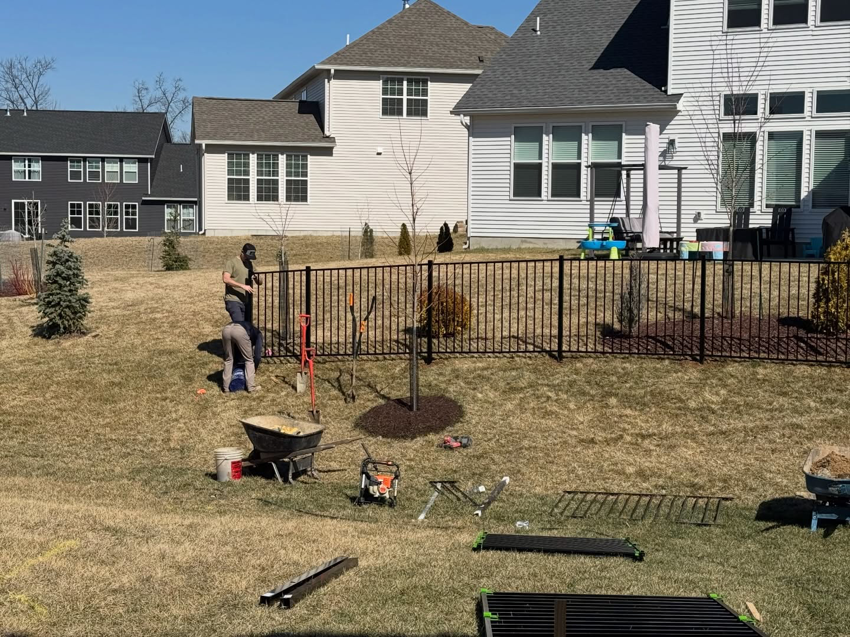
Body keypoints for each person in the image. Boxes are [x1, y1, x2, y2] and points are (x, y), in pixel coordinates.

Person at [222, 320, 263, 393]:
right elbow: (257, 356)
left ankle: (226, 388)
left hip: (226, 329)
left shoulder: (250, 327)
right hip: (240, 331)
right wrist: (254, 369)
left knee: (228, 360)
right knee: (249, 360)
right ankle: (251, 388)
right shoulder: (259, 335)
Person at [222, 243, 259, 322]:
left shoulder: (250, 264)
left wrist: (256, 277)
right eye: (246, 256)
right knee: (240, 325)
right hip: (233, 300)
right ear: (242, 252)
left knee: (247, 326)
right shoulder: (231, 263)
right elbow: (226, 279)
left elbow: (260, 281)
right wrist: (242, 286)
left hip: (246, 301)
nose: (248, 259)